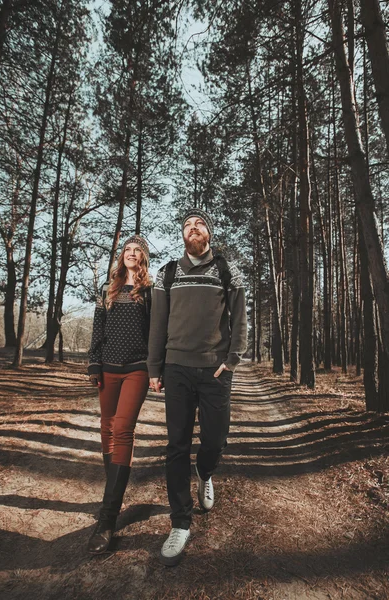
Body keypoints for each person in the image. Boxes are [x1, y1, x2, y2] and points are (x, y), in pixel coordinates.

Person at [147, 208, 247, 566]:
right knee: (176, 445)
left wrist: (232, 359)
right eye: (187, 224)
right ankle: (180, 522)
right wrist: (154, 367)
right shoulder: (168, 273)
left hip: (215, 371)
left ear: (209, 232)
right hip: (176, 370)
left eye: (200, 223)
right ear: (182, 234)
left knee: (216, 439)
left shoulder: (226, 270)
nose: (193, 228)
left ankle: (205, 472)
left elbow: (240, 319)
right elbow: (158, 323)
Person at [87, 235, 152, 554]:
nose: (131, 253)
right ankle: (113, 492)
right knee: (106, 429)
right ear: (122, 255)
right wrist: (93, 363)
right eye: (127, 249)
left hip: (137, 368)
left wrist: (156, 369)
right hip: (107, 368)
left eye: (137, 250)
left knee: (123, 429)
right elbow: (98, 328)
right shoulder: (107, 289)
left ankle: (107, 518)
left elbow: (156, 332)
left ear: (143, 257)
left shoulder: (150, 291)